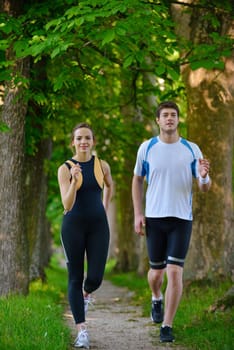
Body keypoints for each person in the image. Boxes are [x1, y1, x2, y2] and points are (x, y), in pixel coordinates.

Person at [132, 101, 211, 343]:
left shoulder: (191, 149)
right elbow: (137, 181)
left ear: (178, 120)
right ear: (158, 120)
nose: (169, 118)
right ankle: (156, 297)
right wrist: (138, 213)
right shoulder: (147, 148)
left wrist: (205, 177)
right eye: (165, 115)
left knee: (175, 273)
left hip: (181, 219)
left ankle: (167, 325)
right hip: (154, 218)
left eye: (173, 115)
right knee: (156, 274)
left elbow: (204, 187)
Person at [58, 122, 113, 348]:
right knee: (74, 277)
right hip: (73, 227)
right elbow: (67, 204)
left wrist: (104, 207)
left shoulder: (102, 165)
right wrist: (74, 182)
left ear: (93, 141)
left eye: (87, 138)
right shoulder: (65, 168)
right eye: (79, 138)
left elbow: (109, 186)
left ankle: (87, 293)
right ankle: (81, 331)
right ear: (73, 142)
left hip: (99, 225)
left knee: (96, 277)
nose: (83, 142)